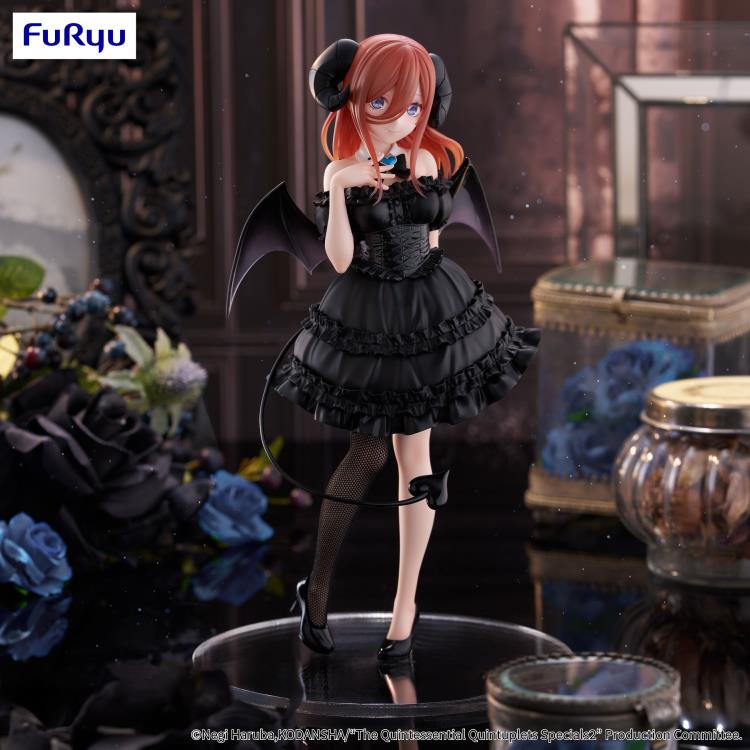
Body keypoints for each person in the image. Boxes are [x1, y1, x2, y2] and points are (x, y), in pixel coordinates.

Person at [234, 33, 541, 661]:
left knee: (417, 462)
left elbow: (433, 241)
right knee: (367, 452)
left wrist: (435, 302)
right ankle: (318, 591)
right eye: (384, 104)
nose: (402, 119)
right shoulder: (342, 171)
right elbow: (340, 260)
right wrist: (344, 190)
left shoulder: (427, 161)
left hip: (428, 308)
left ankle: (405, 608)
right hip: (368, 308)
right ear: (352, 99)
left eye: (414, 106)